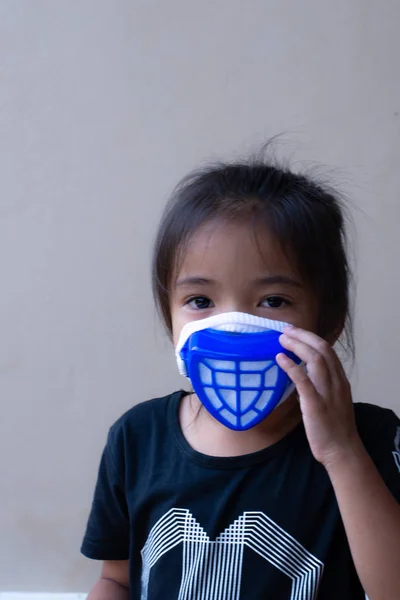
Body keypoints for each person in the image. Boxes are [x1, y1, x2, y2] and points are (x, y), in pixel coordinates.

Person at [81, 153, 400, 600]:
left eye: (272, 300)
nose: (232, 326)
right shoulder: (137, 438)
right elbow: (115, 578)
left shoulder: (370, 438)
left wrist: (341, 451)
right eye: (199, 299)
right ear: (169, 313)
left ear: (329, 323)